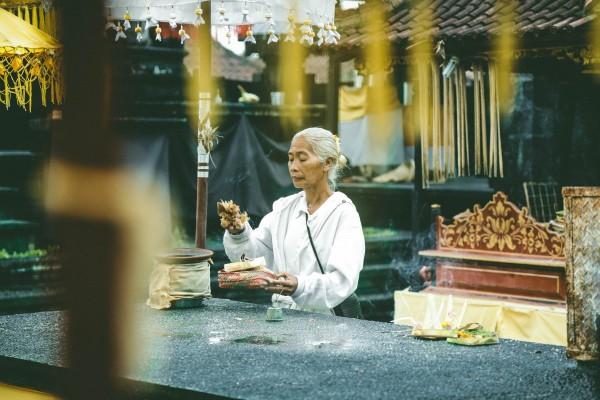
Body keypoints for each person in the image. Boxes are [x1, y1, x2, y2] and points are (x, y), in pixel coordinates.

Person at [222, 127, 365, 315]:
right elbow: (254, 260)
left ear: (327, 163)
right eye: (291, 158)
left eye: (302, 158)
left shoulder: (343, 213)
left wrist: (300, 285)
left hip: (326, 323)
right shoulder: (284, 209)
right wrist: (239, 234)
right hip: (284, 316)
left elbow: (342, 280)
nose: (293, 166)